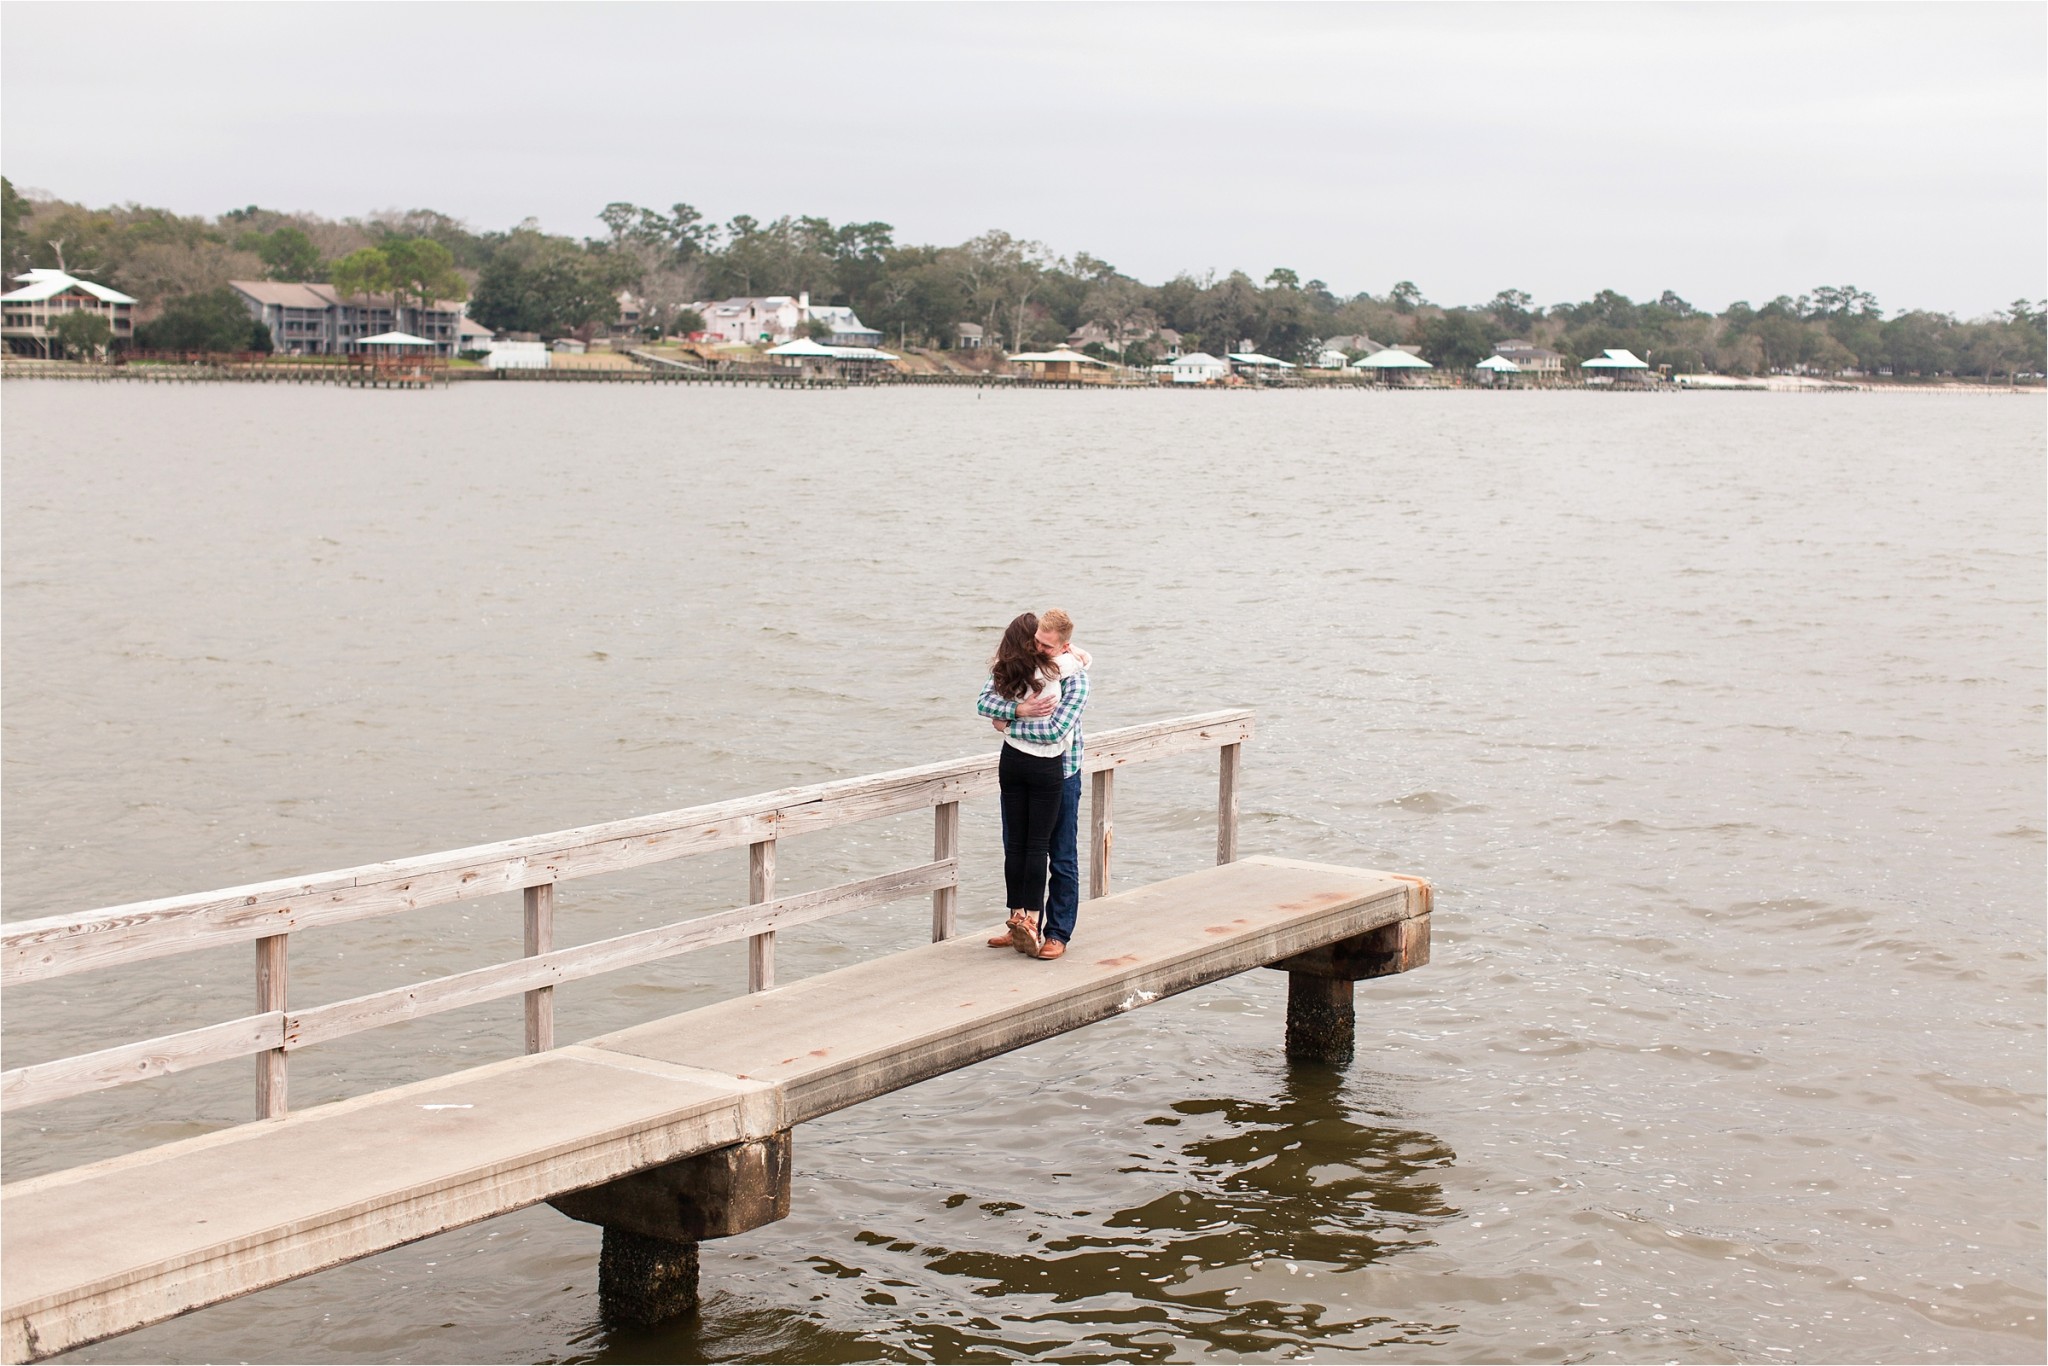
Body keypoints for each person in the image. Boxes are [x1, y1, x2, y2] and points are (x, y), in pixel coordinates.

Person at [978, 608, 1090, 960]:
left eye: (1044, 644)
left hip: (1063, 772)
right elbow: (986, 701)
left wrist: (1008, 725)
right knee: (1017, 845)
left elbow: (1056, 729)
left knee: (1060, 855)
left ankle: (1057, 933)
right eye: (1035, 642)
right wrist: (1019, 711)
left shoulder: (1076, 679)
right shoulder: (1028, 666)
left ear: (1063, 646)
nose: (1036, 649)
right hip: (1022, 766)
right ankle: (1021, 923)